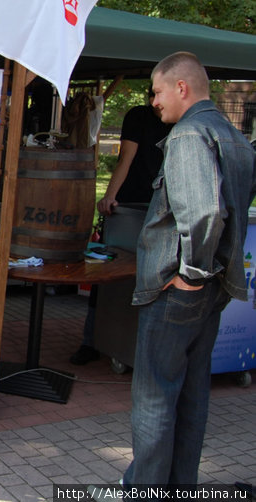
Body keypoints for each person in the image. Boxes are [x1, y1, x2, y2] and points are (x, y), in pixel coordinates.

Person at [123, 52, 256, 487]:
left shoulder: (188, 135)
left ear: (182, 88)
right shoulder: (233, 136)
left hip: (180, 289)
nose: (153, 101)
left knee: (155, 397)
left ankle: (144, 492)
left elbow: (204, 213)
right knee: (191, 394)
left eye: (158, 91)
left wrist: (191, 274)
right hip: (214, 290)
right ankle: (179, 487)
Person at [69, 88, 173, 366]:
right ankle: (93, 340)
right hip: (129, 206)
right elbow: (126, 158)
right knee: (109, 273)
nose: (155, 101)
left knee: (142, 277)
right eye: (151, 93)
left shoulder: (182, 121)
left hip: (158, 208)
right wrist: (111, 196)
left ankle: (128, 344)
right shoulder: (140, 116)